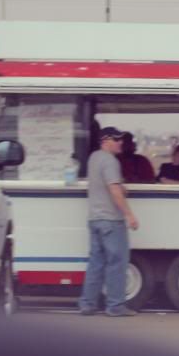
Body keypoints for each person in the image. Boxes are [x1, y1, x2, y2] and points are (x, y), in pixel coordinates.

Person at [78, 126, 140, 317]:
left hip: (94, 219)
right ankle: (115, 306)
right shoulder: (111, 161)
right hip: (111, 221)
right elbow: (113, 190)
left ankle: (87, 304)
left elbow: (108, 185)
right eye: (116, 139)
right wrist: (129, 215)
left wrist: (120, 187)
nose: (121, 142)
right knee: (117, 263)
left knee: (96, 263)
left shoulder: (94, 158)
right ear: (105, 141)